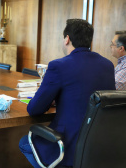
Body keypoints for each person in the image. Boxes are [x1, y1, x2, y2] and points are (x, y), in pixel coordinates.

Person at [19, 19, 116, 168]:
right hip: (98, 145)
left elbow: (34, 109)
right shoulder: (108, 65)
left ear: (67, 39)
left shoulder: (59, 65)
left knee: (24, 142)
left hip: (67, 146)